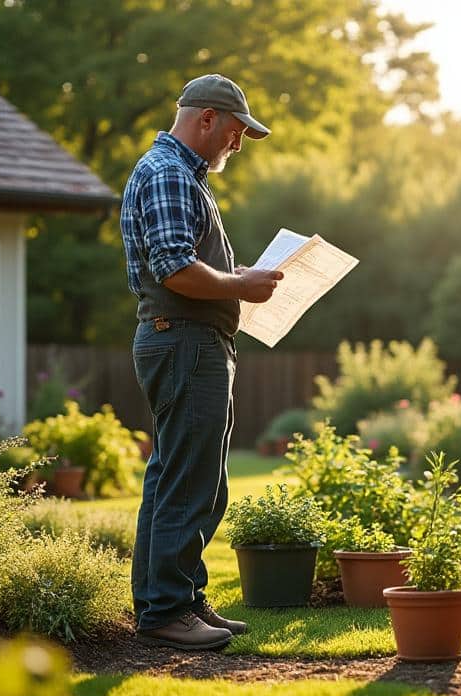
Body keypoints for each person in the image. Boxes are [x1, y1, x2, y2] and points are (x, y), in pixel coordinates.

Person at [121, 73, 283, 651]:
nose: (236, 147)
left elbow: (185, 264)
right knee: (190, 482)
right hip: (184, 340)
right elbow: (176, 270)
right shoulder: (169, 173)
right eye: (236, 134)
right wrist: (242, 288)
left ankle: (180, 600)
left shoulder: (179, 175)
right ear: (207, 119)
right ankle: (166, 610)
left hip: (189, 340)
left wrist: (239, 280)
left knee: (186, 478)